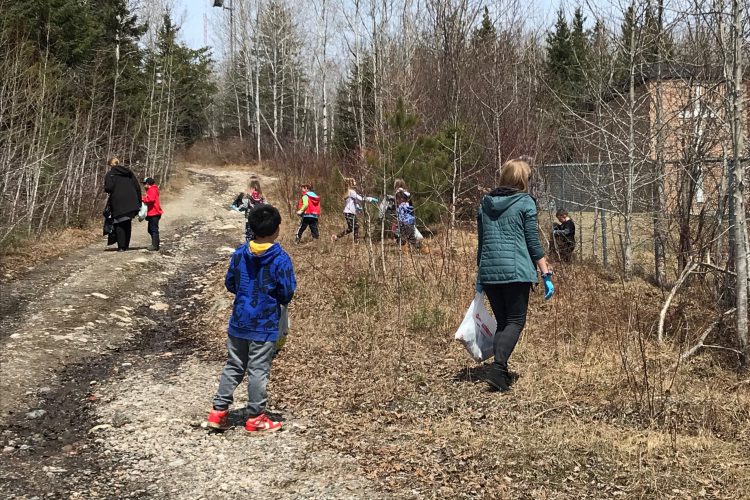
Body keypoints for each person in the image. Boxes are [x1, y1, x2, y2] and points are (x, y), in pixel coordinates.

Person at [207, 204, 296, 432]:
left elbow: (230, 283)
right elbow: (286, 292)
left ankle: (218, 412)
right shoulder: (280, 258)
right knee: (258, 369)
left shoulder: (239, 254)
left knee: (234, 365)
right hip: (264, 324)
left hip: (239, 321)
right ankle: (256, 416)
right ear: (276, 229)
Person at [476, 159, 555, 393]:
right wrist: (545, 272)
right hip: (515, 272)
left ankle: (500, 372)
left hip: (490, 272)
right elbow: (532, 240)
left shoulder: (485, 203)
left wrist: (480, 275)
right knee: (516, 321)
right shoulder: (525, 203)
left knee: (503, 321)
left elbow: (482, 243)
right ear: (522, 180)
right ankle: (498, 368)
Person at [104, 157, 141, 252]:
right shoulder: (129, 173)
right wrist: (139, 202)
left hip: (118, 201)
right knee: (127, 222)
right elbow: (137, 187)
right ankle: (126, 245)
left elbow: (108, 188)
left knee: (118, 223)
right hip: (131, 201)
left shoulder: (110, 174)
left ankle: (121, 246)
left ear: (110, 165)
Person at [331, 178, 377, 242]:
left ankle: (354, 241)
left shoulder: (349, 192)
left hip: (351, 213)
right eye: (354, 181)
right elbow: (361, 198)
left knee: (355, 227)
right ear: (351, 183)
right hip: (349, 212)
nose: (356, 183)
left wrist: (357, 207)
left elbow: (351, 202)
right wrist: (370, 199)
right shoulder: (351, 192)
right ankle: (338, 237)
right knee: (353, 227)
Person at [141, 177, 163, 251]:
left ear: (147, 183)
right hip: (153, 212)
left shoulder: (152, 189)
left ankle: (155, 245)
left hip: (154, 212)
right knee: (150, 229)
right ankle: (155, 243)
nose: (143, 185)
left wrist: (142, 199)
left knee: (153, 229)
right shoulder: (152, 189)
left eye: (144, 184)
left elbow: (151, 199)